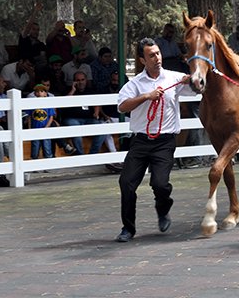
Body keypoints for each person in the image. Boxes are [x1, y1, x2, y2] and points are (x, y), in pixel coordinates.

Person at [114, 38, 195, 243]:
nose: (157, 58)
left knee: (160, 184)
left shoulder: (174, 78)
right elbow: (122, 106)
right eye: (151, 55)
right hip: (141, 141)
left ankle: (163, 209)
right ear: (142, 59)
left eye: (158, 53)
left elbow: (197, 89)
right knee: (126, 183)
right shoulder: (135, 84)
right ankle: (128, 228)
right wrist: (146, 97)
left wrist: (192, 79)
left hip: (165, 141)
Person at [61, 71, 105, 155]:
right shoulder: (68, 90)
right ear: (74, 81)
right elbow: (64, 103)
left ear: (86, 80)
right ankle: (80, 155)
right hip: (72, 119)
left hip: (88, 119)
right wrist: (73, 90)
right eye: (78, 80)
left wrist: (96, 112)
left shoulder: (90, 91)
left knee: (103, 128)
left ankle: (93, 154)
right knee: (76, 129)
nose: (80, 82)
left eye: (82, 79)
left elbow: (97, 103)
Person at [27, 84, 56, 160]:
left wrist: (47, 127)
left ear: (46, 94)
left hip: (45, 129)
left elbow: (51, 117)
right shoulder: (32, 104)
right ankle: (34, 163)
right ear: (35, 94)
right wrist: (29, 127)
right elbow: (29, 116)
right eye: (37, 91)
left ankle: (47, 163)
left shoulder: (48, 104)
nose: (39, 93)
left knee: (47, 146)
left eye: (42, 91)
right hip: (35, 128)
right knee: (35, 146)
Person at [18, 3, 47, 70]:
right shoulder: (24, 39)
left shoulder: (40, 44)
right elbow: (28, 27)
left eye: (37, 30)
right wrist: (36, 11)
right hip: (24, 66)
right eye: (34, 29)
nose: (36, 32)